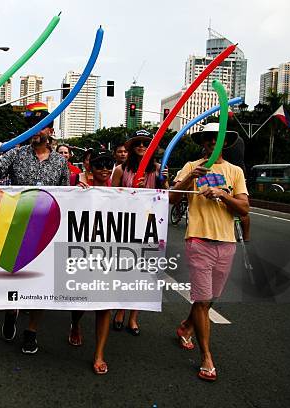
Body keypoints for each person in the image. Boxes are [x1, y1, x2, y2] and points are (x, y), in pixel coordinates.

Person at [0, 108, 69, 354]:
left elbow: (66, 195)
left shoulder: (61, 162)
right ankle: (11, 310)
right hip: (18, 226)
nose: (34, 130)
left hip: (47, 229)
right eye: (31, 125)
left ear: (50, 131)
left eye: (40, 125)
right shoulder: (16, 154)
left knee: (42, 283)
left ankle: (31, 330)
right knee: (15, 276)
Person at [169, 122, 249, 382]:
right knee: (203, 300)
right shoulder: (191, 167)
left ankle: (186, 327)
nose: (213, 143)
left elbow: (244, 208)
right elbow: (171, 198)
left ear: (225, 143)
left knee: (211, 298)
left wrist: (222, 195)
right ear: (203, 142)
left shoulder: (235, 171)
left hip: (226, 243)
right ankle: (207, 357)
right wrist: (191, 177)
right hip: (198, 240)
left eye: (218, 139)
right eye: (208, 139)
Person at [111, 129, 169, 336]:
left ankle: (134, 316)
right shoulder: (120, 170)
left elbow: (165, 199)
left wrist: (162, 183)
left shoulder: (158, 169)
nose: (142, 146)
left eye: (146, 143)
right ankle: (120, 309)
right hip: (126, 228)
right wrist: (133, 191)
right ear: (132, 147)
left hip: (150, 227)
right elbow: (112, 198)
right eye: (138, 143)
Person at [68, 150, 115, 374]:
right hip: (84, 251)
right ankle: (75, 323)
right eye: (99, 165)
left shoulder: (120, 193)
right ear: (90, 168)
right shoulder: (81, 190)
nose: (105, 169)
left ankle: (99, 354)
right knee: (82, 302)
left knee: (104, 306)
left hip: (110, 253)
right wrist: (77, 195)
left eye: (109, 165)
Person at [223, 134, 250, 241]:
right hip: (241, 172)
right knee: (241, 207)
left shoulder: (220, 141)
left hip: (226, 172)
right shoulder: (240, 140)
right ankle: (246, 236)